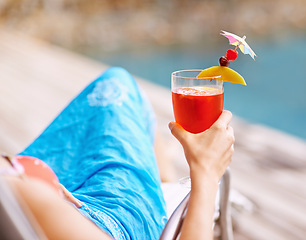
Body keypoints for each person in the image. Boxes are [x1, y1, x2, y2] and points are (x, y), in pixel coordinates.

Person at [0, 67, 234, 240]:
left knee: (114, 84)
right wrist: (206, 172)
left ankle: (161, 183)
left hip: (54, 194)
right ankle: (164, 188)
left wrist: (18, 172)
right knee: (118, 86)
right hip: (108, 222)